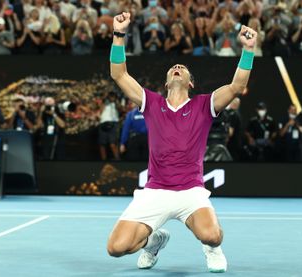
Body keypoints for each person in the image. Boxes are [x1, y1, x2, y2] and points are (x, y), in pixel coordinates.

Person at [107, 12, 257, 273]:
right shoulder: (151, 102)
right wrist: (119, 35)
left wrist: (248, 50)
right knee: (116, 248)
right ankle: (154, 243)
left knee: (212, 235)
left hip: (191, 192)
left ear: (190, 82)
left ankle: (212, 249)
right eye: (173, 68)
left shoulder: (204, 105)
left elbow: (236, 86)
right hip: (155, 191)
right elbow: (119, 75)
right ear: (166, 83)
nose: (177, 68)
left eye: (183, 68)